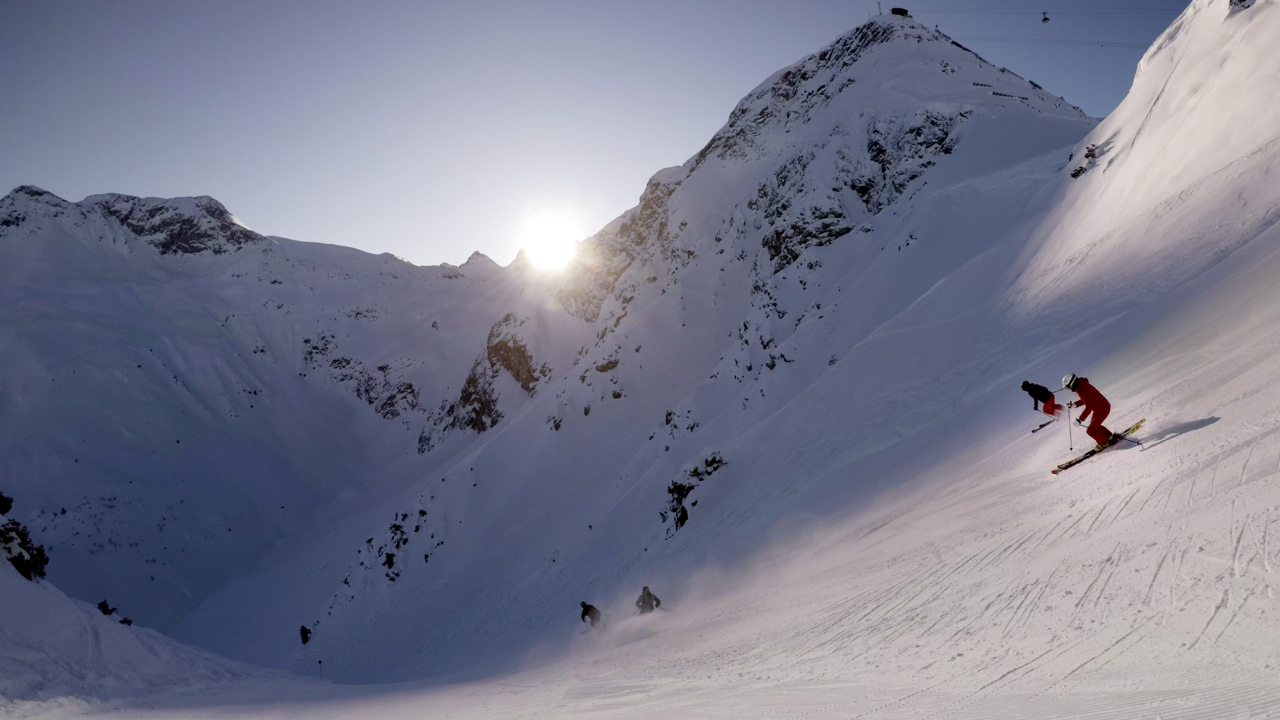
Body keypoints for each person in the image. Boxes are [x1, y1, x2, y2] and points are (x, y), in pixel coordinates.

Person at [1063, 374, 1113, 450]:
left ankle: (1104, 443)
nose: (1068, 389)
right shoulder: (1081, 386)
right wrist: (1074, 405)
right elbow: (1086, 399)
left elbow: (1089, 407)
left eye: (1067, 387)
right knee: (1095, 427)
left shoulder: (1082, 389)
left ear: (1072, 383)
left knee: (1090, 431)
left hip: (1102, 409)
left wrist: (1080, 420)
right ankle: (1109, 437)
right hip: (1100, 408)